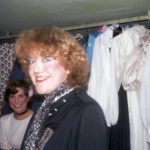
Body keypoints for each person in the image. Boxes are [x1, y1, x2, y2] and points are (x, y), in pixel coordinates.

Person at [15, 26, 109, 150]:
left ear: (69, 65)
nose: (36, 69)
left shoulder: (86, 111)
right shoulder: (43, 109)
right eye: (32, 61)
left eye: (47, 59)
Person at [0, 80, 33, 149]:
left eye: (20, 96)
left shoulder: (37, 119)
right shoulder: (4, 120)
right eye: (12, 96)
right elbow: (4, 147)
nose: (16, 101)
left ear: (28, 98)